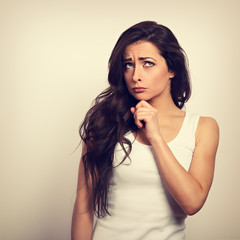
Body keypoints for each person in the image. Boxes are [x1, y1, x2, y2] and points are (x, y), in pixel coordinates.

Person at [71, 21, 219, 240]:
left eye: (147, 63)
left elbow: (193, 202)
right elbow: (84, 207)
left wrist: (156, 137)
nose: (135, 75)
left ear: (172, 69)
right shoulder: (103, 123)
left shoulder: (203, 128)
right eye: (128, 65)